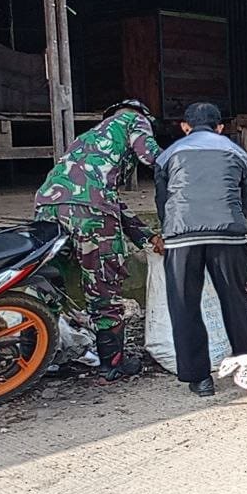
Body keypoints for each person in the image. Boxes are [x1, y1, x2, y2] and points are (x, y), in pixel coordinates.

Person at [33, 99, 163, 382]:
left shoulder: (86, 139)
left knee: (52, 283)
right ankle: (112, 364)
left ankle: (44, 356)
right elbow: (152, 157)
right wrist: (187, 162)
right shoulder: (133, 120)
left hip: (47, 207)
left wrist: (146, 236)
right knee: (104, 284)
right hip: (89, 213)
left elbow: (107, 199)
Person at [153, 102, 247, 398]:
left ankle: (200, 379)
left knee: (184, 304)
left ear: (185, 127)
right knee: (235, 300)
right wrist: (235, 221)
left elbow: (162, 201)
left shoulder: (168, 154)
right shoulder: (237, 152)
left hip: (182, 235)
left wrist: (169, 229)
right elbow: (245, 197)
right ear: (220, 127)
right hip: (229, 233)